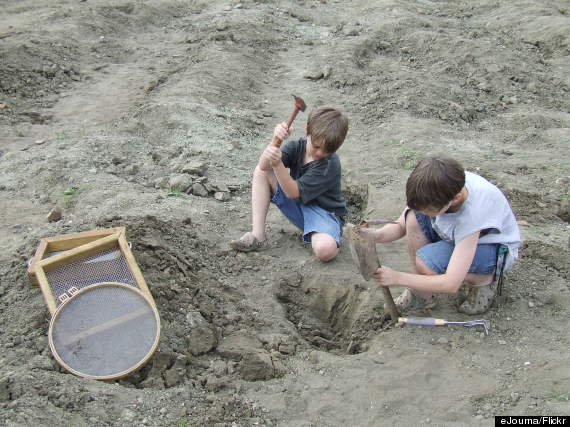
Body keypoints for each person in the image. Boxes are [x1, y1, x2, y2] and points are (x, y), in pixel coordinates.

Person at [367, 156, 520, 314]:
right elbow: (401, 225)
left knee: (427, 262)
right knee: (413, 217)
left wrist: (397, 278)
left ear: (455, 199)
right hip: (460, 236)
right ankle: (421, 294)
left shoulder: (472, 216)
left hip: (492, 249)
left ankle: (484, 279)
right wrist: (375, 235)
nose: (424, 213)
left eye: (428, 210)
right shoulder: (436, 187)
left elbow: (451, 284)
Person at [230, 106, 349, 262]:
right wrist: (275, 140)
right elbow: (264, 165)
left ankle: (331, 237)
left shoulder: (330, 164)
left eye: (328, 150)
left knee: (324, 250)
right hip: (300, 207)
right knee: (262, 171)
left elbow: (293, 192)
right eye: (317, 146)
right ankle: (258, 236)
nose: (320, 153)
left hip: (324, 215)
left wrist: (278, 164)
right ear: (307, 130)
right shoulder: (297, 146)